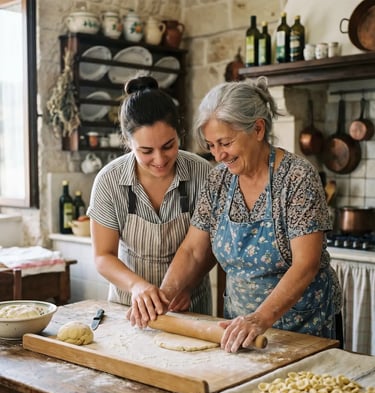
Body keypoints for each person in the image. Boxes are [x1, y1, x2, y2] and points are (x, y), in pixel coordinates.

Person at [129, 77, 343, 352]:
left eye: (225, 143)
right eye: (211, 146)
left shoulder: (297, 177)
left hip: (305, 328)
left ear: (257, 129)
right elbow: (194, 250)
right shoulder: (218, 180)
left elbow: (306, 264)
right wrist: (165, 296)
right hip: (239, 330)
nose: (219, 155)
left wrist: (259, 319)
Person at [87, 76, 213, 321]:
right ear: (128, 142)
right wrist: (137, 286)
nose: (159, 159)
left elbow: (207, 248)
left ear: (179, 133)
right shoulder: (109, 181)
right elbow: (103, 256)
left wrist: (187, 284)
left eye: (168, 146)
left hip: (189, 308)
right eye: (146, 151)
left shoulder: (202, 174)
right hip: (129, 309)